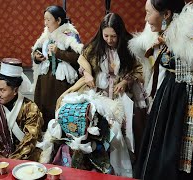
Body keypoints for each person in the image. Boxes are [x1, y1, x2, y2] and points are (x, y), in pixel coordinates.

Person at [38, 13, 145, 177]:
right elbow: (83, 61)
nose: (109, 40)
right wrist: (87, 74)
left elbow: (139, 69)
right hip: (97, 92)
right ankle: (93, 163)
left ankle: (119, 165)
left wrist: (125, 81)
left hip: (119, 95)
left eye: (113, 36)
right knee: (91, 124)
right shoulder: (95, 46)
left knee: (119, 130)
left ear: (120, 34)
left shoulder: (129, 48)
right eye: (106, 36)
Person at [128, 0, 193, 179]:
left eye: (149, 13)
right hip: (171, 94)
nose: (146, 18)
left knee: (189, 153)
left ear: (167, 14)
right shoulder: (164, 32)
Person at [31, 5, 83, 130]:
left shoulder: (69, 35)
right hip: (45, 78)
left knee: (58, 106)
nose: (45, 23)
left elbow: (78, 58)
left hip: (61, 81)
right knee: (44, 105)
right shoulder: (46, 35)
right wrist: (37, 57)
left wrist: (59, 52)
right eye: (44, 19)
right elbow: (37, 49)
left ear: (58, 20)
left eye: (48, 19)